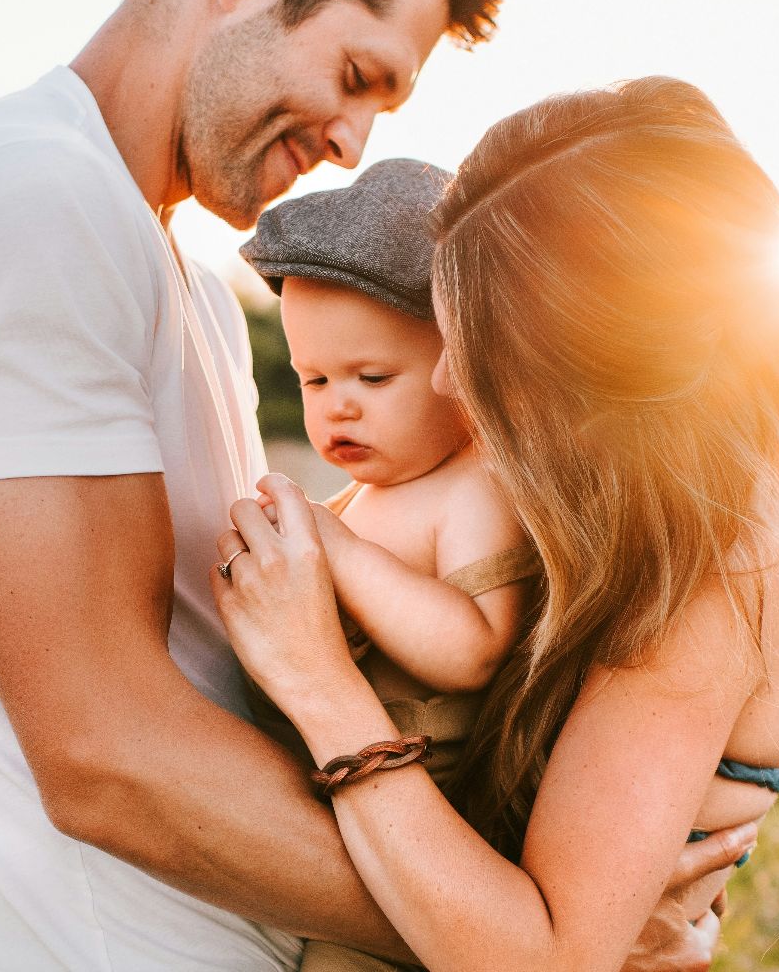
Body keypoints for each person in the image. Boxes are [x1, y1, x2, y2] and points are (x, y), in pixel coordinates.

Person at [0, 0, 746, 964]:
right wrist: (530, 938)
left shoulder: (191, 285)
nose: (354, 144)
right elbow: (102, 754)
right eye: (357, 77)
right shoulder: (27, 200)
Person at [214, 77, 779, 971]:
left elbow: (542, 961)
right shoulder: (596, 507)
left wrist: (319, 683)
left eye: (483, 354)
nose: (449, 385)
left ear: (600, 371)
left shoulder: (720, 558)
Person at [237, 158, 541, 971]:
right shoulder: (363, 498)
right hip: (338, 815)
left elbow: (475, 646)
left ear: (463, 371)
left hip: (427, 823)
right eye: (314, 378)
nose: (339, 403)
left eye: (373, 377)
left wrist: (337, 552)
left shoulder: (472, 487)